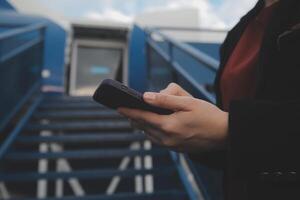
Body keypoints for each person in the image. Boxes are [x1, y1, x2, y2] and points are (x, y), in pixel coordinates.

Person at [118, 0, 300, 199]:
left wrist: (229, 129)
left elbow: (234, 129)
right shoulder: (239, 31)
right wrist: (197, 129)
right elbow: (233, 146)